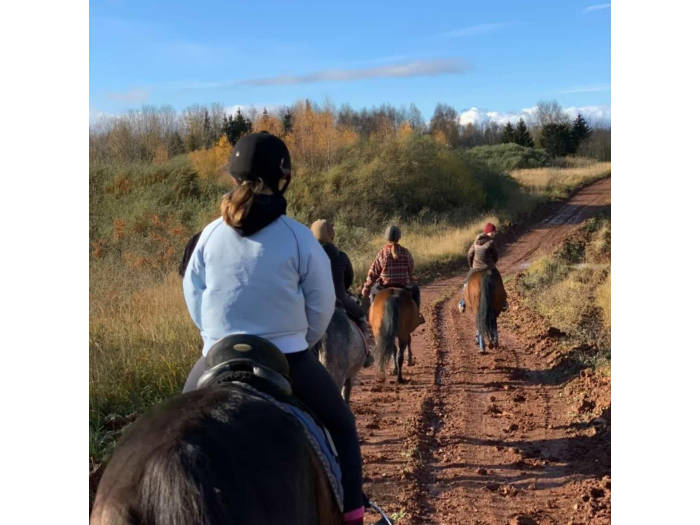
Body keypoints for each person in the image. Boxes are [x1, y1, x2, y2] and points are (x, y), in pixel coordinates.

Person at [181, 132, 366, 525]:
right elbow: (322, 304)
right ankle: (353, 513)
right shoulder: (298, 237)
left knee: (176, 428)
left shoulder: (208, 236)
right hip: (288, 357)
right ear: (281, 181)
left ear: (234, 179)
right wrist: (303, 340)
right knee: (343, 427)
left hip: (216, 355)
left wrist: (212, 338)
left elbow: (193, 295)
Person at [310, 219, 373, 367]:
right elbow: (348, 280)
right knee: (360, 316)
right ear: (331, 234)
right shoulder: (341, 256)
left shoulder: (309, 255)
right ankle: (367, 352)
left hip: (313, 303)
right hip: (340, 299)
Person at [360, 224, 424, 324]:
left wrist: (366, 288)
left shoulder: (382, 253)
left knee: (373, 293)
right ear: (399, 237)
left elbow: (373, 273)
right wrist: (410, 277)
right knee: (416, 291)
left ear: (386, 237)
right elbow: (410, 269)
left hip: (384, 287)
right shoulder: (406, 252)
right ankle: (417, 316)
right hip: (403, 287)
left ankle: (373, 317)